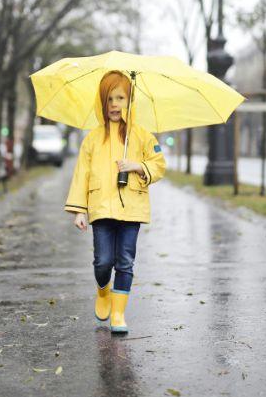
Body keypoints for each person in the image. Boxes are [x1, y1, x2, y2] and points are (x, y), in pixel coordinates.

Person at [64, 70, 166, 334]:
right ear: (102, 103)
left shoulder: (142, 136)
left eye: (120, 98)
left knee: (125, 261)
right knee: (103, 261)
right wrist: (79, 210)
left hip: (132, 208)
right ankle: (102, 291)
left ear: (129, 102)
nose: (115, 104)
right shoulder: (93, 139)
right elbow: (81, 174)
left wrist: (137, 165)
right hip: (101, 208)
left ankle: (118, 314)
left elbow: (159, 164)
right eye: (109, 99)